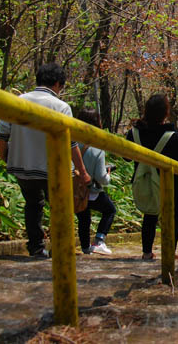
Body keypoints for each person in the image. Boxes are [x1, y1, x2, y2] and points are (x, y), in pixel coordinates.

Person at [0, 63, 91, 258]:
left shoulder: (17, 101)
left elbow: (3, 135)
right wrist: (82, 171)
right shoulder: (61, 107)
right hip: (52, 169)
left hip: (22, 166)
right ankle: (60, 249)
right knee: (59, 208)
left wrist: (5, 156)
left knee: (33, 205)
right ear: (57, 84)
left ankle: (36, 248)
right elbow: (71, 144)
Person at [126, 94, 178, 260]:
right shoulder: (172, 136)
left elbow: (126, 157)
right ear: (166, 113)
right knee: (173, 216)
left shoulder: (134, 133)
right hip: (169, 183)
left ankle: (147, 252)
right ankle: (169, 252)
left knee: (150, 214)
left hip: (146, 180)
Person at [75, 109, 117, 255]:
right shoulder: (97, 148)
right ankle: (99, 241)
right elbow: (101, 178)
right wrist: (108, 175)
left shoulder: (71, 141)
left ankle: (86, 247)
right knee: (110, 210)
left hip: (74, 189)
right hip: (91, 190)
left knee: (83, 218)